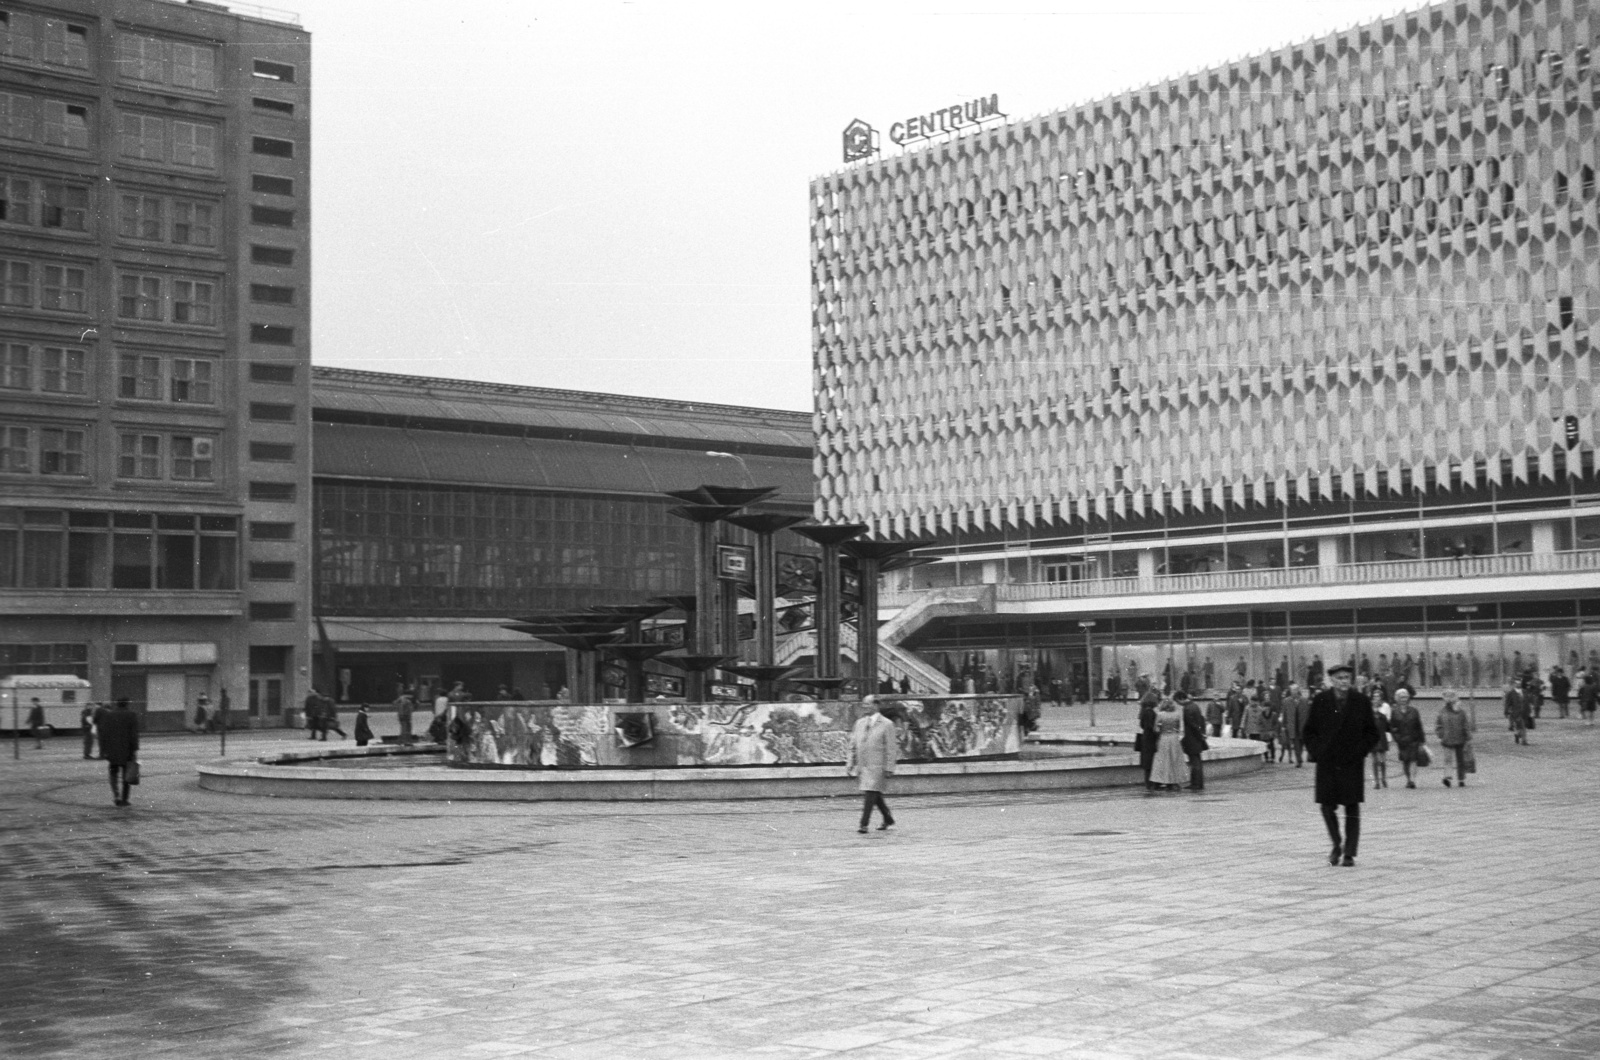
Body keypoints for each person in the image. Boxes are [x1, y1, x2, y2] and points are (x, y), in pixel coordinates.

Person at [1301, 664, 1379, 867]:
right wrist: (1318, 751)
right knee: (1327, 806)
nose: (1344, 681)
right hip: (1327, 763)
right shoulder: (1321, 701)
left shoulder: (1360, 702)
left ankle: (1349, 853)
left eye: (1347, 677)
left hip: (1351, 762)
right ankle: (1337, 844)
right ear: (1331, 680)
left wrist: (1360, 751)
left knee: (1352, 807)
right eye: (1340, 678)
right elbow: (1309, 731)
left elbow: (1372, 732)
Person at [845, 697, 898, 833]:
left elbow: (891, 748)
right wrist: (850, 763)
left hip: (878, 766)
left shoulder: (887, 724)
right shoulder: (859, 723)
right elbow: (852, 745)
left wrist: (890, 767)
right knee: (874, 793)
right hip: (863, 766)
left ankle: (863, 824)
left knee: (870, 792)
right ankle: (888, 818)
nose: (865, 707)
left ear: (876, 705)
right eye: (864, 704)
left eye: (868, 704)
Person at [96, 698, 140, 807]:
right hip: (127, 750)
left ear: (117, 704)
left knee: (113, 773)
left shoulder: (109, 715)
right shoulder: (131, 715)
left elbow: (103, 733)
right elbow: (134, 734)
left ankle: (116, 795)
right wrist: (135, 749)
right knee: (127, 775)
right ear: (127, 704)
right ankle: (125, 799)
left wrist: (103, 750)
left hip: (112, 751)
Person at [1436, 688, 1475, 787]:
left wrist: (1468, 738)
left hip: (1460, 739)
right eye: (1447, 697)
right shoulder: (1442, 711)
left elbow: (1466, 725)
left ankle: (1461, 779)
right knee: (1447, 759)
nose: (1449, 699)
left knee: (1460, 760)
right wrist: (1441, 734)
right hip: (1447, 739)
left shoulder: (1461, 712)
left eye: (1451, 696)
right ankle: (1447, 777)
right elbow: (1438, 725)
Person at [1389, 688, 1425, 788]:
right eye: (1401, 697)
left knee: (1413, 759)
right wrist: (1397, 738)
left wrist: (1422, 740)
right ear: (1397, 699)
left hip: (1414, 739)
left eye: (1405, 697)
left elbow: (1419, 725)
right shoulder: (1394, 712)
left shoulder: (1414, 711)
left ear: (1408, 698)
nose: (1403, 699)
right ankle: (1408, 779)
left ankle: (1412, 780)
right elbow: (1392, 727)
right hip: (1402, 741)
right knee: (1405, 761)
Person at [1148, 695, 1186, 792]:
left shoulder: (1160, 715)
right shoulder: (1177, 714)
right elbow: (1181, 728)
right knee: (1174, 759)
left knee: (1163, 760)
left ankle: (1163, 779)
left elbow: (1156, 729)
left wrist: (1160, 727)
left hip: (1164, 738)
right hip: (1174, 738)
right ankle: (1174, 781)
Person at [1179, 691, 1209, 791]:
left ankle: (1195, 784)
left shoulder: (1186, 709)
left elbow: (1192, 725)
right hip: (1197, 738)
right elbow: (1201, 720)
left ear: (1181, 699)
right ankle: (1199, 783)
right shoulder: (1195, 706)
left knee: (1194, 762)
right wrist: (1202, 734)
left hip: (1192, 739)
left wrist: (1198, 735)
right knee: (1197, 761)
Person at [1280, 682, 1309, 766]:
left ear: (1298, 690)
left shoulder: (1304, 700)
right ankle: (1298, 760)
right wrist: (1283, 725)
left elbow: (1307, 713)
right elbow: (1284, 713)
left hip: (1302, 724)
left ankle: (1299, 757)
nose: (1294, 692)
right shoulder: (1286, 701)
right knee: (1296, 742)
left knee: (1301, 742)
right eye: (1292, 690)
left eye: (1295, 690)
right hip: (1292, 725)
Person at [1137, 690, 1159, 792]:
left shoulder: (1143, 712)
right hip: (1151, 739)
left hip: (1145, 738)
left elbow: (1142, 725)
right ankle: (1151, 784)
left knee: (1147, 763)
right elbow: (1151, 727)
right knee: (1151, 762)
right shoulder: (1151, 713)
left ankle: (1148, 783)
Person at [1369, 699, 1392, 789]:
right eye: (1373, 706)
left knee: (1382, 761)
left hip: (1382, 739)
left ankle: (1383, 778)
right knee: (1375, 761)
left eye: (1376, 706)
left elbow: (1387, 728)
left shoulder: (1383, 717)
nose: (1375, 708)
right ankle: (1377, 781)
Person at [1503, 681, 1530, 745]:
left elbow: (1527, 702)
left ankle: (1521, 738)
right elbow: (1507, 703)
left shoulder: (1524, 691)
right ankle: (1521, 738)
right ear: (1514, 684)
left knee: (1522, 726)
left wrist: (1529, 710)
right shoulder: (1511, 693)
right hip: (1516, 713)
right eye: (1517, 683)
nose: (1518, 684)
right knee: (1520, 726)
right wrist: (1506, 712)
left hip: (1524, 712)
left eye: (1519, 683)